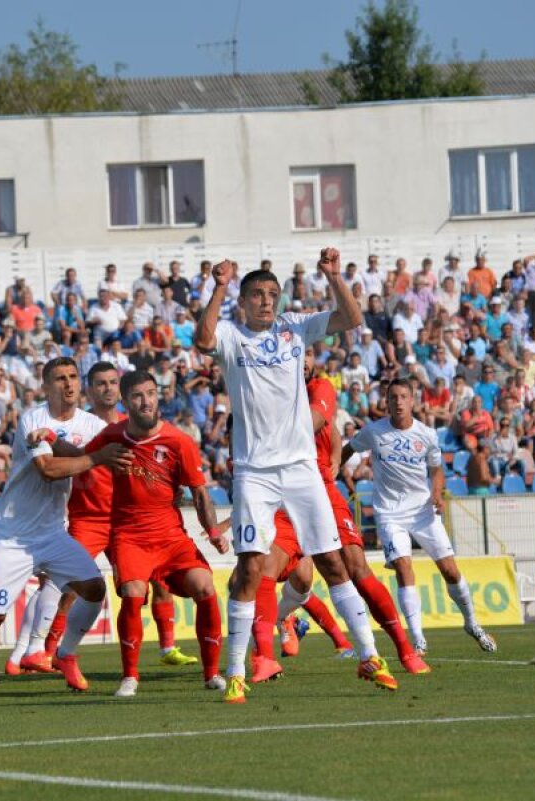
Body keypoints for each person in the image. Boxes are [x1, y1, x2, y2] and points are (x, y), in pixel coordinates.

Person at [194, 249, 397, 704]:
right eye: (257, 296)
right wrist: (219, 287)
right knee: (249, 567)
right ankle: (236, 672)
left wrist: (332, 275)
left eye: (272, 295)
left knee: (331, 561)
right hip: (254, 472)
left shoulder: (294, 328)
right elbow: (203, 339)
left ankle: (369, 656)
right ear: (243, 303)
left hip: (301, 469)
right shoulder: (231, 334)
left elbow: (352, 315)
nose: (266, 302)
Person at [0, 358, 132, 698]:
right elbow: (48, 468)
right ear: (45, 386)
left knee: (94, 590)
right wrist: (96, 458)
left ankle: (65, 653)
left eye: (73, 377)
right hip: (14, 535)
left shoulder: (91, 423)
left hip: (52, 532)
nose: (68, 384)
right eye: (60, 379)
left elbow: (91, 456)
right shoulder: (33, 419)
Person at [253, 350, 428, 679]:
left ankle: (403, 649)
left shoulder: (320, 389)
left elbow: (319, 423)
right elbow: (325, 435)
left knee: (352, 566)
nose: (300, 361)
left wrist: (332, 461)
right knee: (263, 570)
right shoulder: (271, 392)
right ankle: (262, 657)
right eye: (294, 356)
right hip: (285, 494)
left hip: (320, 490)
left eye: (306, 355)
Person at [13, 364, 195, 675]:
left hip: (127, 518)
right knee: (70, 584)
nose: (108, 389)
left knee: (155, 579)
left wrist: (172, 492)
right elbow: (76, 456)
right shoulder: (83, 425)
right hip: (88, 516)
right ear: (91, 390)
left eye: (113, 383)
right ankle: (45, 651)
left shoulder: (134, 426)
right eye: (101, 384)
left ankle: (167, 647)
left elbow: (156, 467)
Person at [82, 370, 228, 697]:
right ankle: (130, 677)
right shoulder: (112, 436)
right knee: (132, 593)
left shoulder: (179, 441)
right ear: (125, 402)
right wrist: (51, 441)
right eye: (138, 396)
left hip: (171, 537)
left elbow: (201, 493)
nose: (146, 401)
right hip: (129, 536)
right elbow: (81, 461)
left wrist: (214, 531)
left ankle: (212, 673)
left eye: (151, 393)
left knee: (205, 587)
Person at [342, 378, 498, 656]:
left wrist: (437, 493)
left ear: (413, 400)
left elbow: (436, 470)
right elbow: (348, 450)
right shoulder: (373, 432)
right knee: (403, 567)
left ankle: (472, 623)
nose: (398, 402)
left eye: (403, 397)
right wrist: (328, 472)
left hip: (423, 511)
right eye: (393, 397)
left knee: (450, 570)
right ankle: (418, 639)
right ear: (387, 402)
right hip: (390, 513)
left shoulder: (426, 434)